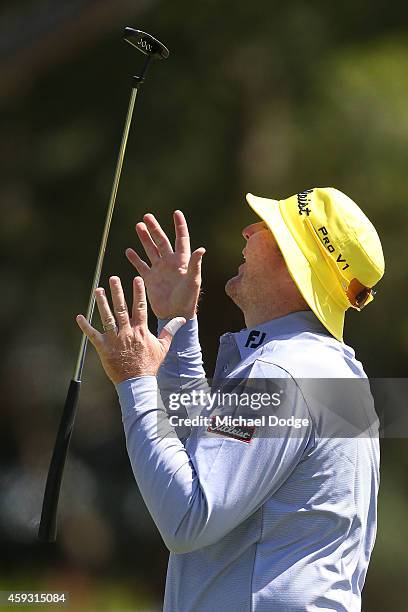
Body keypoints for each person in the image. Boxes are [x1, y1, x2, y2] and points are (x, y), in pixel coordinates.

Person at [77, 187, 385, 612]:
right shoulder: (325, 370)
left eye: (266, 226)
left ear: (291, 260)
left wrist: (135, 380)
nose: (247, 229)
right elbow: (202, 451)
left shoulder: (282, 373)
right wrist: (177, 322)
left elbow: (188, 514)